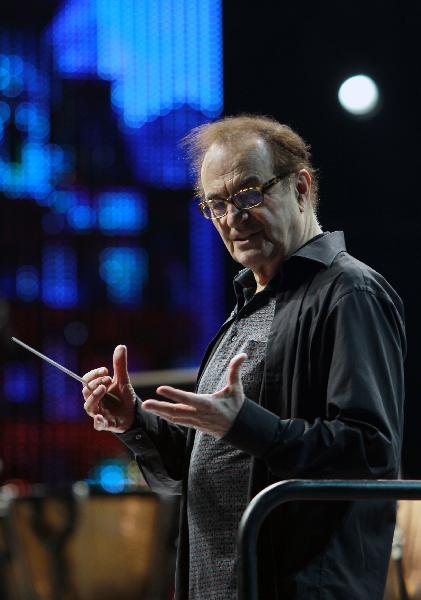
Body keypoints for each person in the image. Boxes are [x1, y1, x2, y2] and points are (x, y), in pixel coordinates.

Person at [82, 115, 406, 599]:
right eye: (216, 204)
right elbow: (201, 467)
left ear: (301, 187)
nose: (233, 216)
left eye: (250, 193)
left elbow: (371, 453)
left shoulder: (348, 292)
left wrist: (246, 425)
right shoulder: (247, 306)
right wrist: (134, 423)